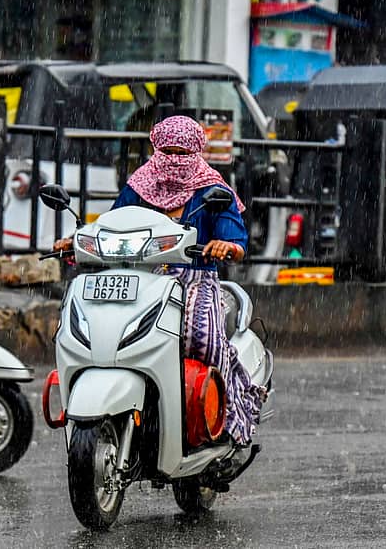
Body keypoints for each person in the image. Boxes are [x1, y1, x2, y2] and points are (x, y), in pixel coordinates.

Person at [54, 115, 266, 446]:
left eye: (183, 153)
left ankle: (225, 416)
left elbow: (235, 241)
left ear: (196, 151)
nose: (174, 160)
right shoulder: (139, 185)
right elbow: (112, 223)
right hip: (140, 278)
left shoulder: (212, 189)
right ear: (156, 148)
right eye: (168, 151)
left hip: (195, 279)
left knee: (203, 341)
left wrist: (227, 246)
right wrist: (77, 241)